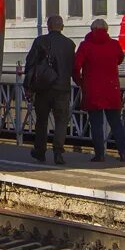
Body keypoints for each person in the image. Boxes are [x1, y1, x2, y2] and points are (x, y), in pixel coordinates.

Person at [73, 18, 125, 162]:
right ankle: (123, 154)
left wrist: (80, 81)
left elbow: (76, 66)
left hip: (93, 90)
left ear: (92, 30)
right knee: (116, 123)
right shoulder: (114, 45)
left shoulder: (85, 46)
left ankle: (100, 154)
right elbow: (120, 58)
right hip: (111, 89)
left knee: (96, 124)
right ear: (106, 29)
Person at [23, 15, 76, 165]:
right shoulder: (69, 44)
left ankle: (40, 152)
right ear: (62, 27)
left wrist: (28, 87)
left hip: (43, 89)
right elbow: (73, 67)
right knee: (61, 121)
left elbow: (30, 64)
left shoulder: (40, 41)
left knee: (42, 121)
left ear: (48, 26)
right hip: (63, 88)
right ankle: (58, 152)